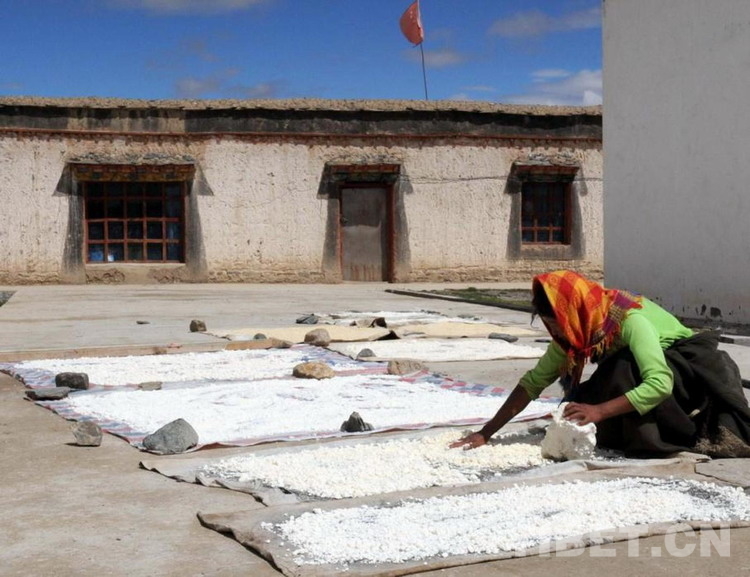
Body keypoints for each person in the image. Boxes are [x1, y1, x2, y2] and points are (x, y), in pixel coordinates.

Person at [450, 270, 750, 457]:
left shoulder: (631, 319)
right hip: (647, 375)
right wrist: (486, 433)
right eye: (553, 330)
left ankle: (659, 436)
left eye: (559, 328)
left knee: (621, 369)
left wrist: (600, 411)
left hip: (687, 375)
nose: (558, 336)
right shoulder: (575, 333)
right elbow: (532, 383)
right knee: (582, 400)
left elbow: (659, 383)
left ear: (575, 314)